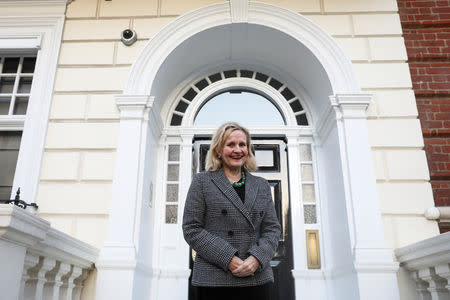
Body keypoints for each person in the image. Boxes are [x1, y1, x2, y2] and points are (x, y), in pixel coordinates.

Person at [183, 122, 281, 300]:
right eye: (231, 144)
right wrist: (228, 258)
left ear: (248, 149)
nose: (238, 150)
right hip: (215, 278)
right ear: (218, 150)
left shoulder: (261, 185)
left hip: (256, 277)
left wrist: (256, 259)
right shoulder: (202, 182)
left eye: (242, 144)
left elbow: (272, 229)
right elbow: (192, 228)